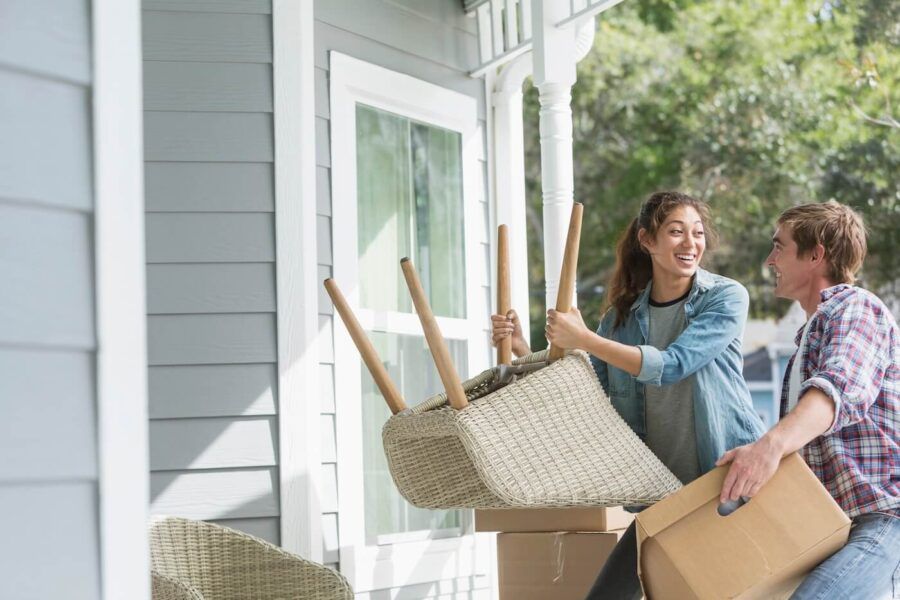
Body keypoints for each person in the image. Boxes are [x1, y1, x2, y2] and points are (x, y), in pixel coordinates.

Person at [492, 191, 765, 600]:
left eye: (697, 232)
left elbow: (672, 365)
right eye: (676, 232)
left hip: (722, 486)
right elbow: (584, 387)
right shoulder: (619, 319)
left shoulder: (725, 298)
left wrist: (584, 338)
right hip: (660, 496)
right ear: (647, 241)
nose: (691, 243)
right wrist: (521, 347)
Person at [716, 201, 899, 599]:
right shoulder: (809, 336)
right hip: (834, 528)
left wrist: (769, 446)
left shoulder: (857, 309)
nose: (770, 260)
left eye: (779, 246)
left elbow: (840, 389)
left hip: (884, 519)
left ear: (816, 254)